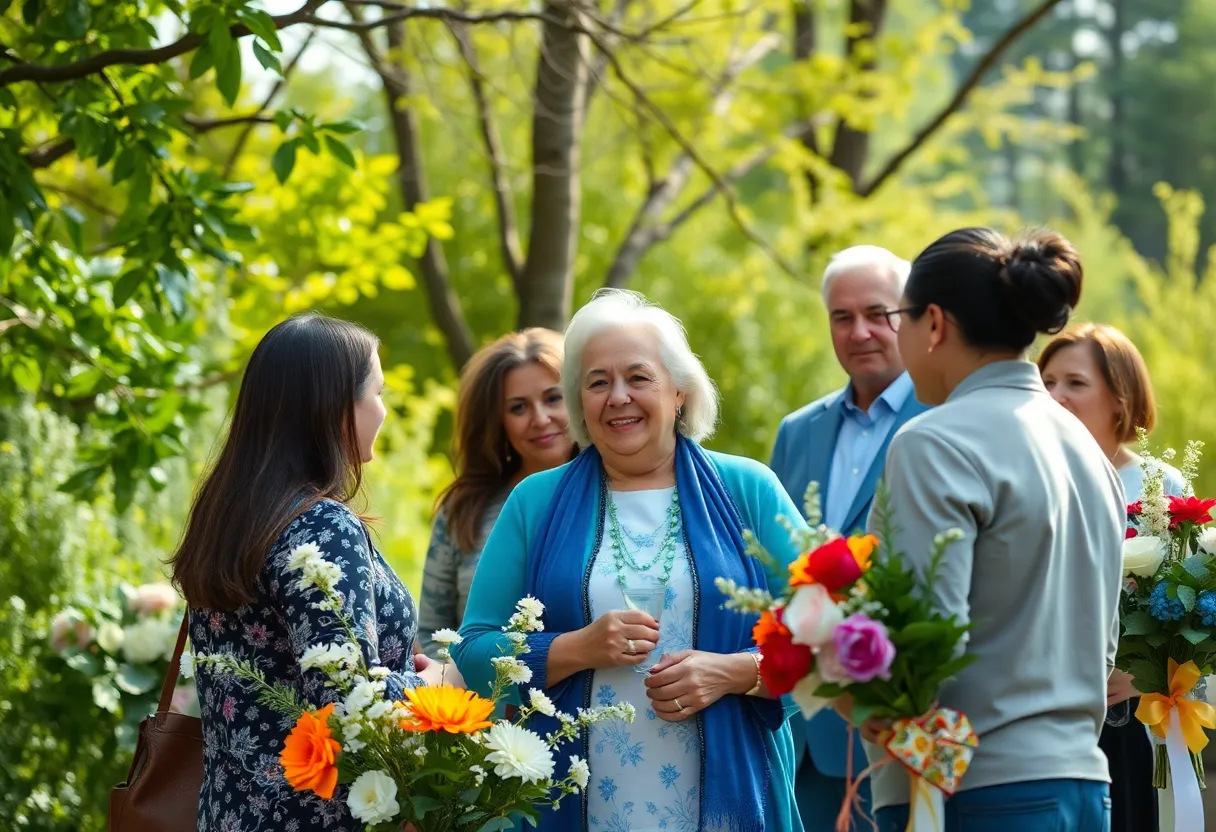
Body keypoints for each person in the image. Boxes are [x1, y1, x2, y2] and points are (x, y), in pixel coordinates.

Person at [452, 289, 805, 832]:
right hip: (574, 804)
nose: (618, 397)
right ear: (579, 401)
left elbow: (837, 637)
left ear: (679, 391)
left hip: (729, 801)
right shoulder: (534, 502)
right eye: (598, 382)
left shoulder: (748, 489)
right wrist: (574, 648)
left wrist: (734, 672)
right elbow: (474, 650)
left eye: (638, 377)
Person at [863, 228, 1125, 831]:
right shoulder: (1086, 449)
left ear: (933, 323)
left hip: (974, 788)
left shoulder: (935, 441)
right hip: (1083, 783)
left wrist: (841, 673)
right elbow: (1103, 645)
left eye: (897, 318)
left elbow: (928, 647)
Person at [172, 314, 455, 831]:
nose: (384, 410)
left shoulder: (231, 515)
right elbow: (347, 699)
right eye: (377, 393)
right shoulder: (322, 525)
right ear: (334, 409)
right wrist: (440, 682)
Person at [770, 245, 928, 830]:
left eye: (877, 313)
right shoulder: (798, 430)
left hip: (895, 712)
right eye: (842, 317)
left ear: (910, 317)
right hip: (800, 723)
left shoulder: (942, 419)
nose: (859, 331)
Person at [1039, 322, 1185, 832]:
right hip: (1040, 710)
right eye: (1047, 380)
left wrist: (1142, 674)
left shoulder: (1158, 485)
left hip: (1125, 717)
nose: (1055, 395)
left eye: (1075, 383)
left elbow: (1185, 606)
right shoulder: (1029, 474)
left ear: (1120, 398)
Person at [418, 329, 575, 657]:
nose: (540, 418)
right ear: (496, 421)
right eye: (519, 408)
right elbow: (432, 632)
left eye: (553, 397)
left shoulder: (616, 495)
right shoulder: (465, 509)